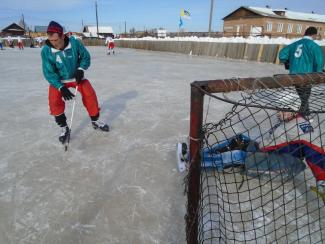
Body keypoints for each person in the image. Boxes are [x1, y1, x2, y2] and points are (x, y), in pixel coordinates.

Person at [41, 21, 109, 144]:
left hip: (76, 77)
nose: (53, 44)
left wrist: (81, 69)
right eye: (51, 41)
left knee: (90, 95)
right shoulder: (46, 51)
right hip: (59, 80)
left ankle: (95, 120)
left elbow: (85, 57)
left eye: (56, 40)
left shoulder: (74, 43)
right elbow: (48, 72)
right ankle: (64, 127)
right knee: (54, 101)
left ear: (62, 36)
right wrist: (60, 87)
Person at [279, 26, 324, 117]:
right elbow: (319, 61)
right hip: (307, 76)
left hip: (294, 75)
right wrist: (318, 73)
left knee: (303, 96)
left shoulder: (295, 44)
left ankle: (305, 112)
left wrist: (287, 62)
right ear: (314, 35)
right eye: (316, 35)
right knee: (305, 96)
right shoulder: (314, 46)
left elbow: (282, 54)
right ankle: (303, 114)